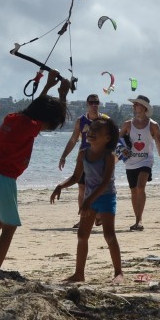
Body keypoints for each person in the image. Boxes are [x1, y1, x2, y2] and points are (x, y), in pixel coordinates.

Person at [0, 71, 70, 275]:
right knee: (9, 226)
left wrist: (48, 86)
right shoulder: (29, 125)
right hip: (3, 178)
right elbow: (56, 118)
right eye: (47, 123)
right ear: (42, 119)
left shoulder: (12, 118)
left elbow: (38, 107)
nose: (46, 127)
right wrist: (63, 94)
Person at [51, 116, 123, 283]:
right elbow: (76, 177)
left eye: (97, 130)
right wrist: (60, 186)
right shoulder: (83, 153)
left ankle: (119, 272)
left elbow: (105, 183)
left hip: (105, 197)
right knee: (82, 236)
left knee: (109, 235)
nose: (92, 132)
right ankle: (79, 274)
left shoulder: (108, 156)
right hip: (89, 198)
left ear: (108, 138)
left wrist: (87, 201)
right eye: (91, 129)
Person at [118, 95, 160, 231]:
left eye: (137, 104)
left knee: (140, 187)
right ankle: (136, 220)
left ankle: (140, 220)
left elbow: (158, 144)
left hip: (146, 160)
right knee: (133, 191)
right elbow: (117, 141)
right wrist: (117, 155)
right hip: (130, 162)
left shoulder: (153, 125)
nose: (134, 106)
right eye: (134, 104)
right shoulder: (127, 124)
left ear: (144, 107)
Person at [58, 93, 108, 229]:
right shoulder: (81, 121)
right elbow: (74, 139)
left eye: (96, 102)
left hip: (100, 160)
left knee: (98, 189)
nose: (94, 105)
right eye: (91, 102)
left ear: (99, 103)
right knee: (82, 188)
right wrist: (64, 156)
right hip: (84, 159)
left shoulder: (105, 120)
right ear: (87, 104)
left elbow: (113, 139)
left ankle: (97, 216)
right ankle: (83, 218)